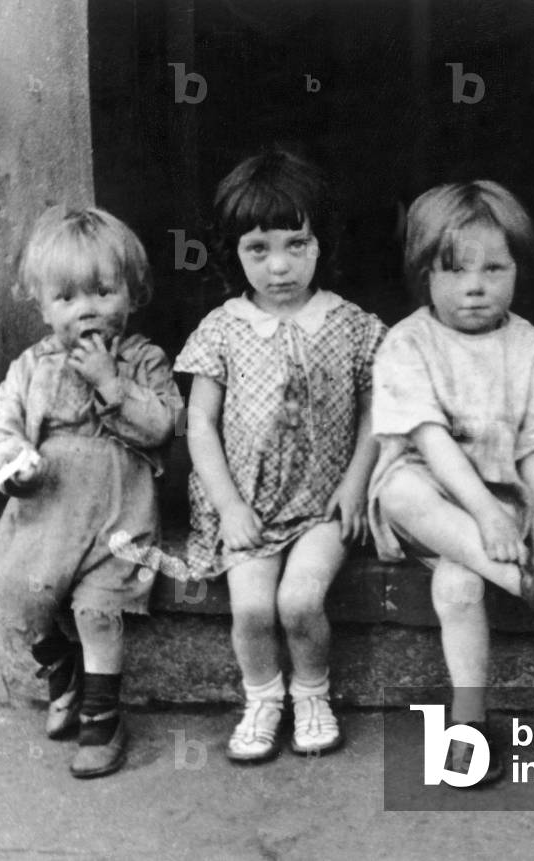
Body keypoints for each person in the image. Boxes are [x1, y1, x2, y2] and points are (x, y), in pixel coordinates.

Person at [176, 149, 386, 763]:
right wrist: (229, 506)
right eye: (258, 249)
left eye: (298, 243)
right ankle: (263, 697)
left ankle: (313, 694)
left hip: (322, 505)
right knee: (250, 607)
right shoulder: (223, 328)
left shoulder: (349, 325)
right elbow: (201, 424)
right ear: (232, 252)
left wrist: (355, 483)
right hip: (249, 505)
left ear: (323, 242)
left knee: (298, 601)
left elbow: (378, 408)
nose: (280, 266)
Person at [368, 180, 534, 786]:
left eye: (495, 267)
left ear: (518, 270)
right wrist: (483, 515)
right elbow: (429, 441)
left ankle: (469, 724)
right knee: (399, 487)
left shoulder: (531, 347)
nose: (476, 285)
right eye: (454, 269)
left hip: (507, 516)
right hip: (434, 509)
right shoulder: (407, 343)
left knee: (459, 590)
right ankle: (525, 586)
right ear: (424, 273)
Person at [0, 206, 184, 779]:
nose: (87, 307)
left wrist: (111, 384)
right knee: (19, 597)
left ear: (133, 293)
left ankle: (102, 715)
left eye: (103, 290)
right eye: (67, 298)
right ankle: (58, 665)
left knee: (97, 610)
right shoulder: (30, 367)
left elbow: (165, 424)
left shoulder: (142, 360)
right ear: (42, 306)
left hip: (118, 507)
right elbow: (2, 427)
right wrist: (13, 465)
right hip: (46, 508)